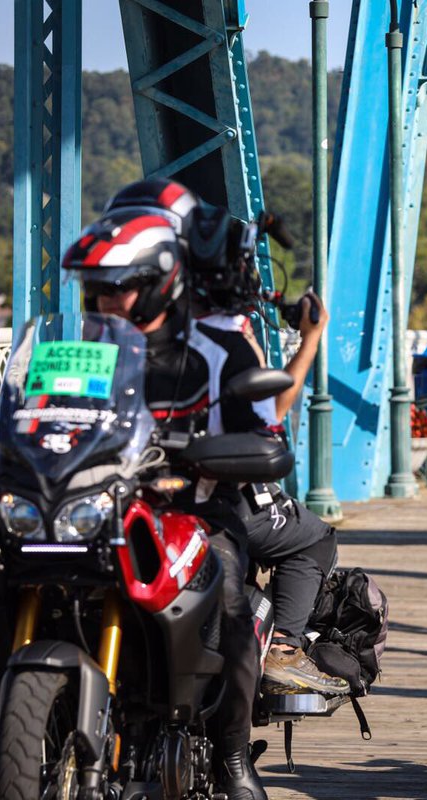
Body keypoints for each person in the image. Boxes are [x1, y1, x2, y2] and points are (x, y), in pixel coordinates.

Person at [105, 179, 347, 698]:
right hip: (200, 496)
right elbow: (268, 417)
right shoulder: (223, 336)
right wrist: (310, 340)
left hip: (112, 486)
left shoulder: (112, 333)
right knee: (315, 538)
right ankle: (282, 645)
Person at [62, 205, 273, 799]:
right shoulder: (74, 350)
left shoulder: (217, 350)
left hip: (195, 510)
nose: (103, 300)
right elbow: (40, 419)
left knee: (233, 604)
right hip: (98, 508)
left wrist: (234, 451)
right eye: (94, 287)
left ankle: (232, 756)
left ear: (157, 282)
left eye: (118, 287)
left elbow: (264, 435)